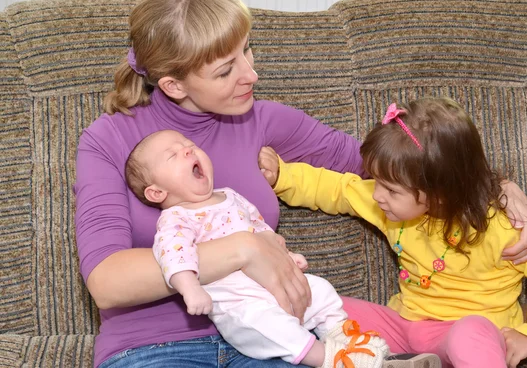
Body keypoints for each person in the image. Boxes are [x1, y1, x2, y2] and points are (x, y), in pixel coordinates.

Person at [73, 0, 527, 368]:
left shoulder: (262, 119)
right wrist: (245, 249)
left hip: (277, 342)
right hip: (153, 349)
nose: (251, 75)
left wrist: (494, 186)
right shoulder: (108, 141)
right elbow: (108, 281)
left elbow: (401, 158)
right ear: (174, 85)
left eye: (248, 52)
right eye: (225, 70)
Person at [258, 97, 527, 368]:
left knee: (472, 332)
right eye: (377, 182)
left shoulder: (503, 227)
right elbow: (338, 189)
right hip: (402, 327)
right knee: (313, 299)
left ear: (439, 193)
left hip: (464, 332)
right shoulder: (388, 207)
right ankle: (391, 360)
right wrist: (282, 176)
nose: (378, 195)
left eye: (391, 190)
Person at [124, 129, 389, 367]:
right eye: (173, 155)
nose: (188, 149)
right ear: (156, 193)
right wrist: (189, 288)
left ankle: (347, 337)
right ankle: (330, 359)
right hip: (238, 304)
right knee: (267, 327)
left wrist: (284, 255)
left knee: (319, 290)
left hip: (274, 286)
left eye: (189, 144)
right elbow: (173, 254)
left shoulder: (230, 196)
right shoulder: (176, 218)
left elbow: (260, 230)